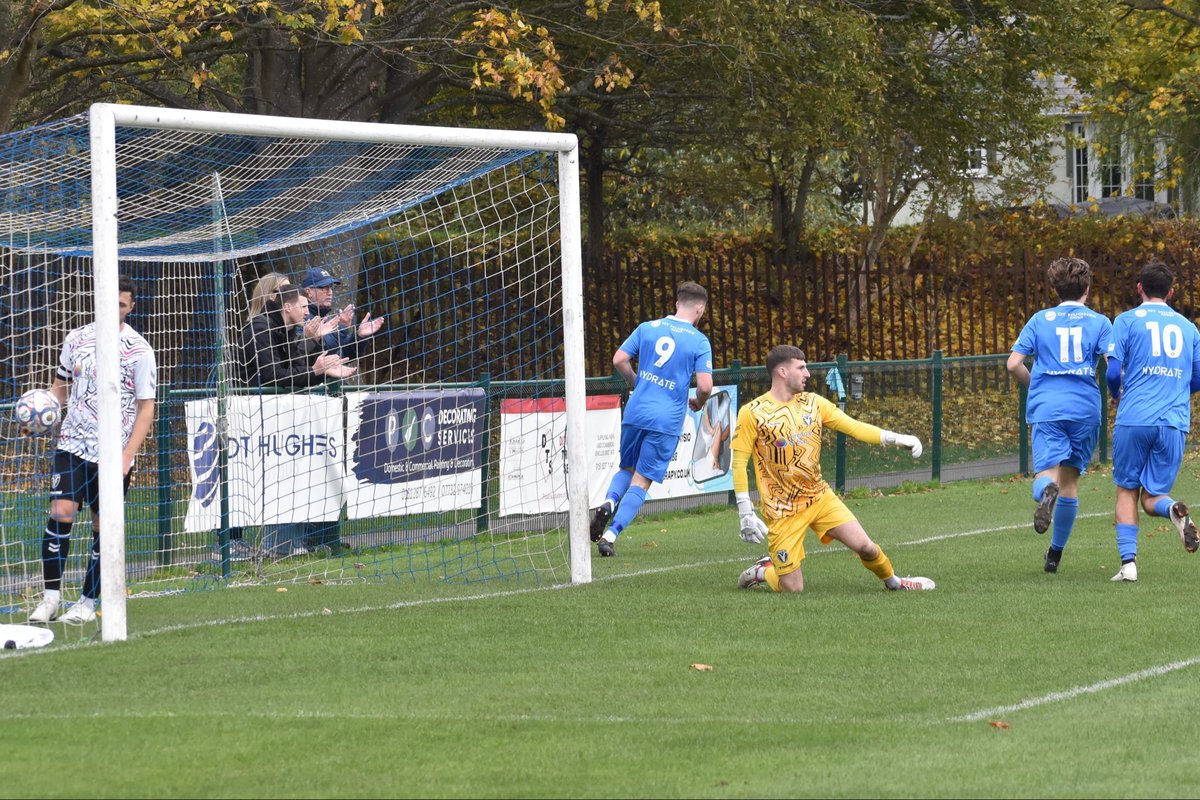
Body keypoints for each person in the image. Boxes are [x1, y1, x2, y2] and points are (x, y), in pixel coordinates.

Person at [733, 345, 934, 593]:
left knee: (866, 547)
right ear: (782, 372)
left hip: (819, 497)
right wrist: (745, 511)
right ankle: (762, 571)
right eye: (801, 367)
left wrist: (895, 438)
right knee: (793, 589)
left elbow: (854, 427)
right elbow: (739, 462)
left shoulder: (814, 403)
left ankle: (895, 582)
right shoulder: (753, 413)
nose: (807, 373)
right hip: (781, 510)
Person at [28, 276, 158, 624]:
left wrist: (127, 457)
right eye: (109, 302)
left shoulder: (139, 351)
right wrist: (41, 415)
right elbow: (60, 387)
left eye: (121, 304)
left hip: (114, 454)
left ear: (131, 308)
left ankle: (87, 603)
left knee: (104, 526)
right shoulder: (76, 339)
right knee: (61, 512)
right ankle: (50, 599)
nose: (114, 309)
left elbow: (146, 408)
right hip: (72, 444)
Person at [589, 281, 713, 557]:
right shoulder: (698, 341)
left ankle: (609, 502)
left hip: (636, 411)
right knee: (642, 480)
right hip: (666, 419)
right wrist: (699, 401)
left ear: (676, 303)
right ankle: (610, 535)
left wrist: (637, 383)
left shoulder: (647, 328)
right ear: (700, 310)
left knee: (626, 469)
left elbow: (619, 359)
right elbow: (705, 386)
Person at [1006, 257, 1112, 574]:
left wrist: (1034, 384)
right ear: (1087, 289)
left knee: (1046, 475)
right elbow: (1113, 365)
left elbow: (1013, 364)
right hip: (1085, 409)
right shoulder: (1100, 322)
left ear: (1055, 289)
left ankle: (1045, 492)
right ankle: (1054, 555)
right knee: (1070, 484)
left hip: (1048, 407)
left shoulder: (1040, 320)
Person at [239, 285, 353, 557]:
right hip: (252, 414)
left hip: (279, 415)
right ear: (287, 307)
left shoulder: (287, 330)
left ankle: (288, 544)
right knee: (250, 480)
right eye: (302, 306)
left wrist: (316, 358)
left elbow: (294, 368)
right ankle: (239, 544)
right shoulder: (261, 328)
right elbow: (274, 376)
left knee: (291, 476)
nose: (306, 312)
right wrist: (315, 371)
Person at [1105, 261, 1200, 582]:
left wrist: (1116, 394)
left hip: (1135, 417)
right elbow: (1198, 375)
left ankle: (1128, 565)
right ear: (1171, 293)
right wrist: (1176, 391)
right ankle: (1172, 509)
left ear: (1139, 288)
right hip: (1173, 420)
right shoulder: (1188, 328)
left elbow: (1113, 371)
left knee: (1127, 490)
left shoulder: (1126, 320)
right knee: (1152, 498)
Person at [300, 267, 385, 359]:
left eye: (330, 287)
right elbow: (324, 354)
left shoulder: (323, 317)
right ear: (308, 291)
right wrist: (341, 327)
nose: (330, 293)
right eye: (323, 288)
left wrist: (359, 337)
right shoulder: (301, 318)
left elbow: (342, 354)